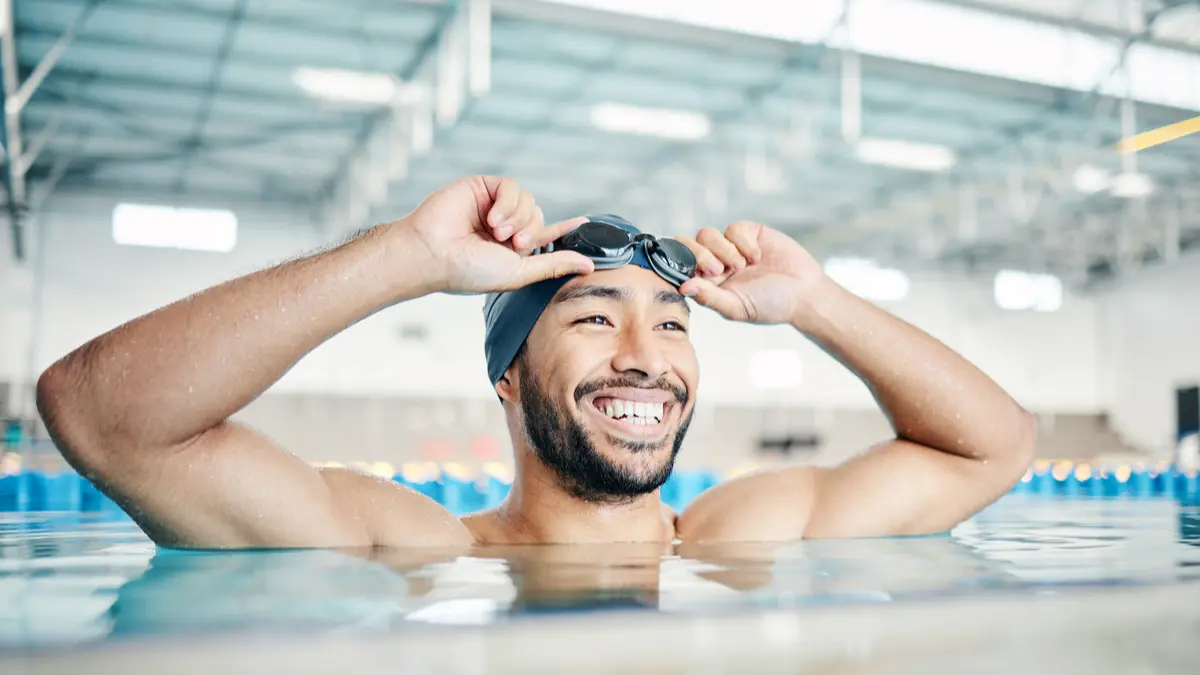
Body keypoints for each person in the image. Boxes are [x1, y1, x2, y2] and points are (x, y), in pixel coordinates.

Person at [36, 176, 1037, 549]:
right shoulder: (412, 547)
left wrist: (818, 302)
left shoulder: (745, 531)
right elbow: (101, 419)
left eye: (674, 325)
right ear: (508, 373)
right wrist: (406, 259)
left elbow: (995, 451)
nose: (646, 360)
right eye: (596, 320)